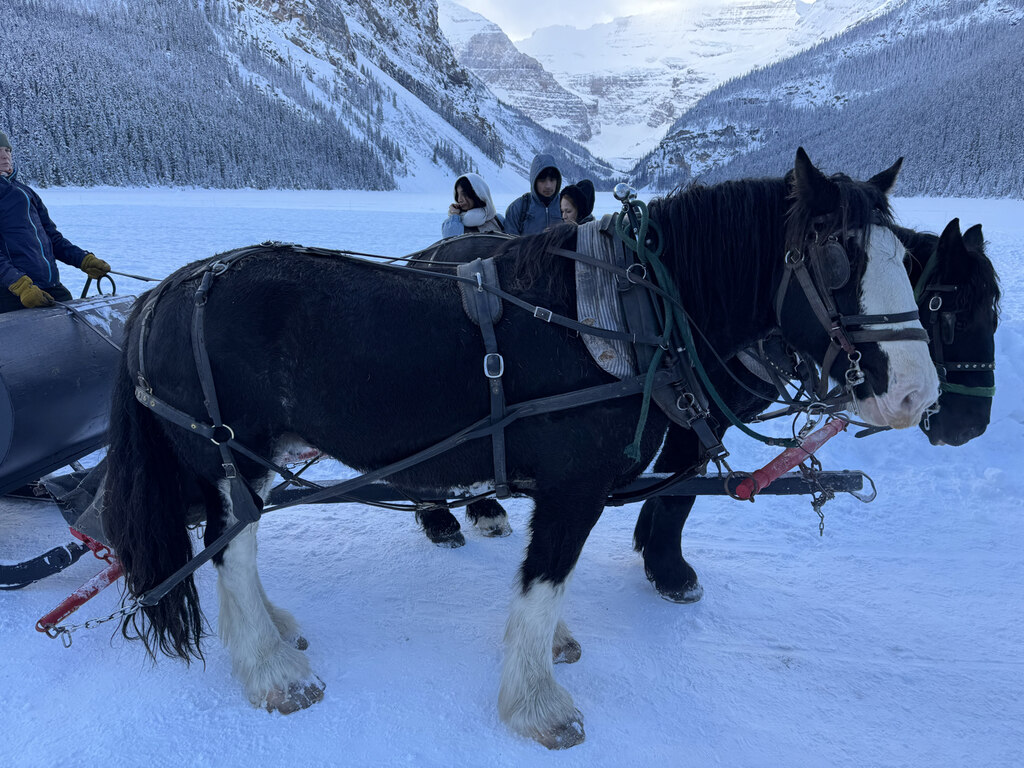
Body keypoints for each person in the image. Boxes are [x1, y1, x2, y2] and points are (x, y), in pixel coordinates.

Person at [0, 130, 110, 314]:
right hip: (11, 294)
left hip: (47, 288)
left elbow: (52, 238)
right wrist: (19, 284)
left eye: (7, 150)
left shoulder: (26, 192)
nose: (5, 157)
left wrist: (83, 259)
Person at [504, 153, 563, 235]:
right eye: (542, 180)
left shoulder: (565, 206)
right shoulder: (518, 208)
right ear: (534, 181)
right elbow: (510, 245)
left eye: (552, 180)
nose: (548, 186)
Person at [441, 173, 505, 238]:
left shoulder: (498, 220)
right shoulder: (454, 223)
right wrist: (454, 215)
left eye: (464, 194)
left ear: (478, 193)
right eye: (458, 194)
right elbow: (451, 243)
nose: (459, 199)